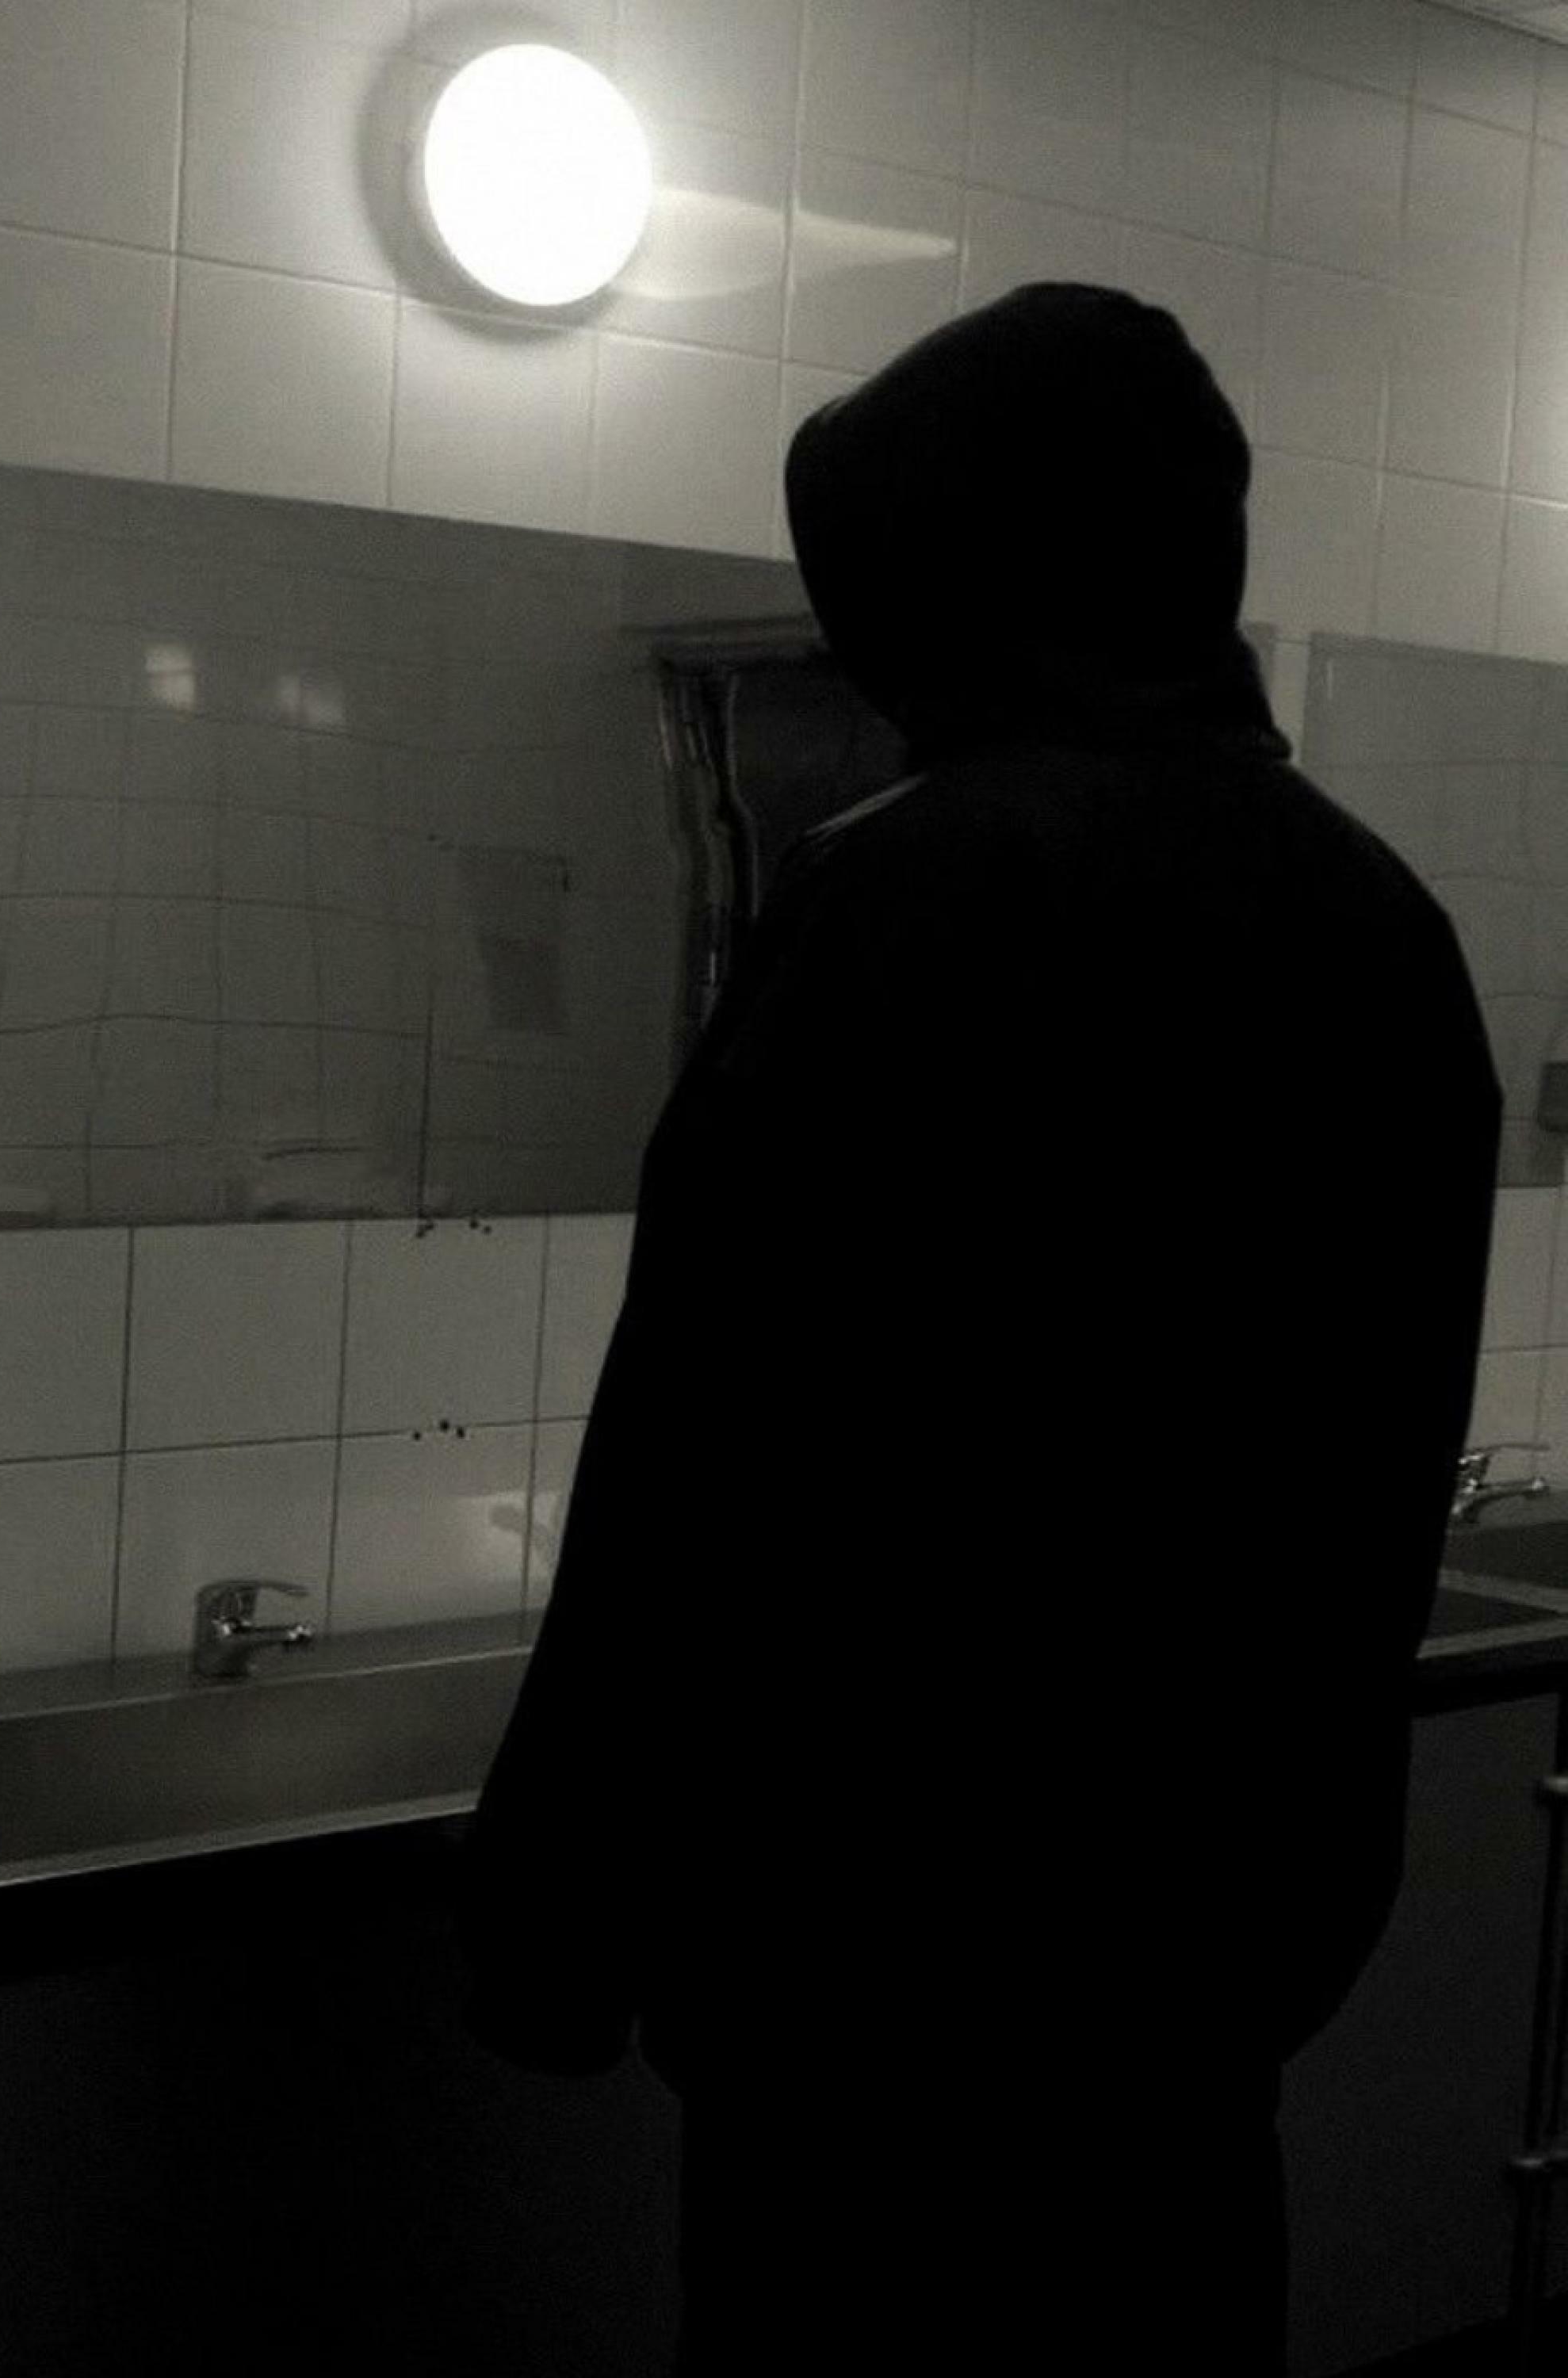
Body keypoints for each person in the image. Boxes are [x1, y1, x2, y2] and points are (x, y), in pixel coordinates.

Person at [457, 282, 1503, 2374]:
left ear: (961, 587)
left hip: (883, 2005)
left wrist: (553, 1921)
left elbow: (707, 1458)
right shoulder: (1383, 927)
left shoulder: (910, 900)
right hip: (1206, 1993)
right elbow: (1372, 1482)